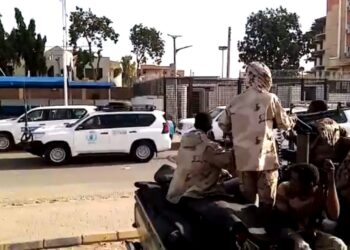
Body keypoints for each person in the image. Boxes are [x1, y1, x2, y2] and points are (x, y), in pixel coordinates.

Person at [219, 62, 295, 210]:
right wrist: (293, 120)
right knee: (267, 201)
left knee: (248, 202)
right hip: (265, 159)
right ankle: (265, 229)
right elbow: (284, 124)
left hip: (243, 159)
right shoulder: (270, 98)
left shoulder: (235, 101)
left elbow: (223, 125)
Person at [274, 161, 346, 250]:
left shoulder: (318, 193)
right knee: (304, 247)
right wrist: (298, 239)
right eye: (291, 178)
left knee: (339, 245)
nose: (291, 182)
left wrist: (331, 180)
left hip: (312, 233)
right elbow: (282, 222)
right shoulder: (285, 189)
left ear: (308, 185)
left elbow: (334, 215)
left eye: (295, 180)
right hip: (289, 233)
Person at [166, 112, 233, 204]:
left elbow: (199, 163)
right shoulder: (210, 147)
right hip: (196, 194)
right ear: (210, 127)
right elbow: (229, 162)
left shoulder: (185, 142)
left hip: (176, 193)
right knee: (236, 185)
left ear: (195, 125)